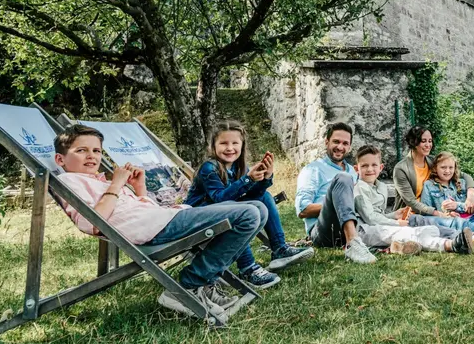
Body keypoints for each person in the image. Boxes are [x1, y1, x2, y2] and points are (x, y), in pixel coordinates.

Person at [53, 124, 264, 320]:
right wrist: (116, 184)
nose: (91, 156)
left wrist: (139, 189)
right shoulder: (69, 181)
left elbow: (139, 210)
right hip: (154, 228)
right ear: (60, 160)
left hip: (161, 219)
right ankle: (189, 285)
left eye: (96, 151)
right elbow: (92, 223)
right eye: (81, 150)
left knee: (258, 209)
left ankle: (205, 283)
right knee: (248, 215)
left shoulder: (101, 181)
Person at [185, 120, 313, 289]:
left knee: (264, 197)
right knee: (237, 214)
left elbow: (254, 196)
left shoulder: (239, 168)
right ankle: (247, 268)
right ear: (213, 146)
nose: (229, 148)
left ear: (242, 145)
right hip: (197, 218)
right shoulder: (209, 168)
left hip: (223, 212)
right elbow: (220, 199)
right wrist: (247, 179)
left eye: (235, 143)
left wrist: (266, 177)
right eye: (223, 143)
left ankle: (280, 249)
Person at [392, 126, 474, 247]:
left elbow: (465, 176)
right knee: (458, 222)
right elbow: (411, 202)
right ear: (414, 142)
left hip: (439, 209)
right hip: (417, 215)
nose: (428, 145)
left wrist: (470, 196)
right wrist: (440, 213)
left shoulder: (431, 161)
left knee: (473, 190)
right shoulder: (401, 169)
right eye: (424, 141)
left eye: (430, 141)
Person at [351, 145, 473, 255]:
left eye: (374, 165)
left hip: (379, 225)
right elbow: (370, 218)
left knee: (421, 223)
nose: (370, 169)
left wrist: (394, 215)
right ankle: (451, 245)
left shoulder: (381, 186)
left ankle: (459, 236)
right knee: (408, 232)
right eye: (364, 166)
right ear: (356, 169)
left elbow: (379, 214)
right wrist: (397, 223)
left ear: (381, 167)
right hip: (365, 230)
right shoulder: (359, 188)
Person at [294, 122, 377, 263]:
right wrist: (339, 204)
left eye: (345, 143)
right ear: (327, 142)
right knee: (343, 178)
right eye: (336, 142)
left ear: (349, 147)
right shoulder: (313, 169)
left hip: (356, 224)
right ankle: (353, 244)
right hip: (323, 232)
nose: (340, 147)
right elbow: (302, 210)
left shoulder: (353, 171)